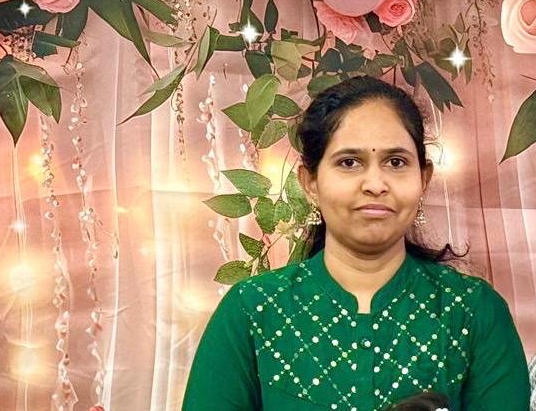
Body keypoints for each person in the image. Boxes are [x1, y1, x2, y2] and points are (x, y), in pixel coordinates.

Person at [182, 76, 531, 410]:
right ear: (310, 182)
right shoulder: (252, 311)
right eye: (349, 162)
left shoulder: (474, 312)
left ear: (423, 179)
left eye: (396, 162)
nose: (375, 184)